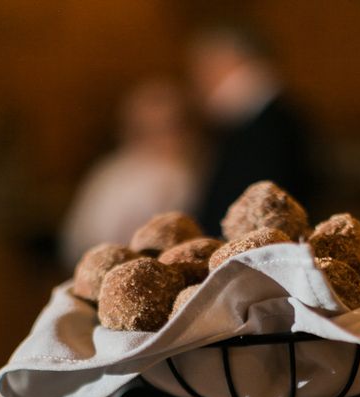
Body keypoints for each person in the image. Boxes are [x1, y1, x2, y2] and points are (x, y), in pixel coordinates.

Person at [187, 23, 314, 235]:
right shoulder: (260, 118)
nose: (198, 79)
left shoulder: (269, 124)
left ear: (227, 61)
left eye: (204, 66)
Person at [60, 79, 202, 267]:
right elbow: (80, 242)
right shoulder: (113, 176)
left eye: (173, 128)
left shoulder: (201, 166)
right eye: (151, 130)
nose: (165, 139)